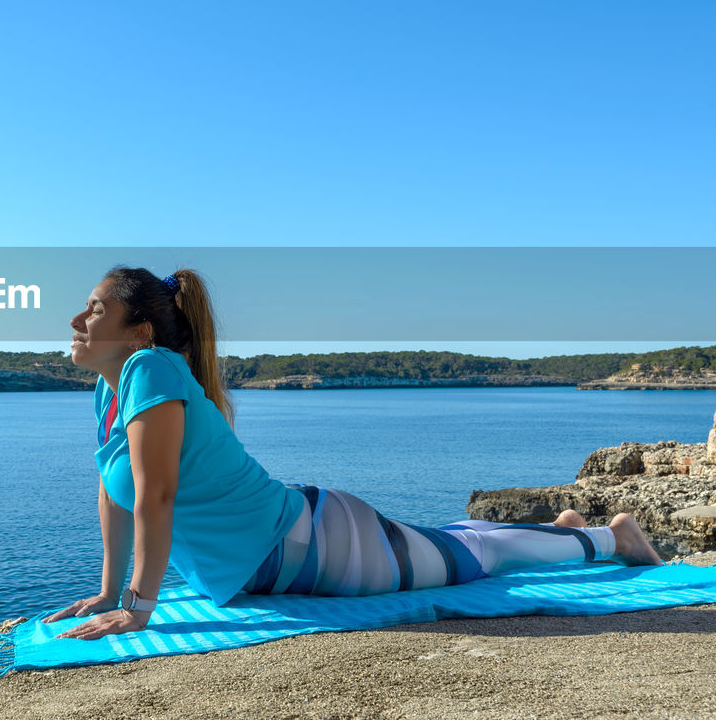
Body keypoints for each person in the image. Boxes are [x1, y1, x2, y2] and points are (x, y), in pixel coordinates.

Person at [44, 265, 665, 641]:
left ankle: (614, 539)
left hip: (314, 547)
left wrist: (139, 608)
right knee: (454, 544)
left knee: (475, 560)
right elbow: (115, 493)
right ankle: (563, 529)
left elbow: (157, 494)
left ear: (141, 331)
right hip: (288, 551)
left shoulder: (152, 368)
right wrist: (107, 592)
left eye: (95, 308)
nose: (76, 317)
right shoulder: (111, 390)